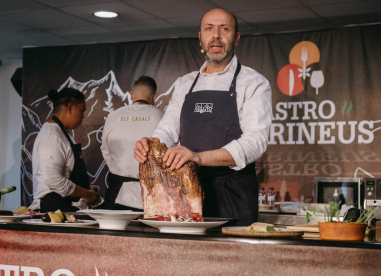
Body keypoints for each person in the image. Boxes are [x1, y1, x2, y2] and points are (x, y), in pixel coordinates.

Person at [134, 8, 272, 226]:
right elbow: (168, 129)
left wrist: (199, 157)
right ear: (200, 37)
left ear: (236, 38)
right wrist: (152, 145)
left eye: (223, 29)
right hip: (187, 188)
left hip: (234, 192)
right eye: (209, 28)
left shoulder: (254, 82)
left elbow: (256, 141)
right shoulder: (184, 83)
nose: (215, 35)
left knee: (231, 258)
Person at [101, 76, 164, 210]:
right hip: (154, 198)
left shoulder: (113, 116)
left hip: (117, 197)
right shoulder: (163, 117)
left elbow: (106, 155)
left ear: (131, 95)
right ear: (154, 96)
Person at [31, 88, 98, 212]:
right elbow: (54, 180)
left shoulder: (60, 133)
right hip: (53, 209)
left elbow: (65, 175)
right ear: (70, 107)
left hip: (63, 207)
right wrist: (87, 194)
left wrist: (87, 188)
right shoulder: (52, 137)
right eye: (82, 110)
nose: (83, 116)